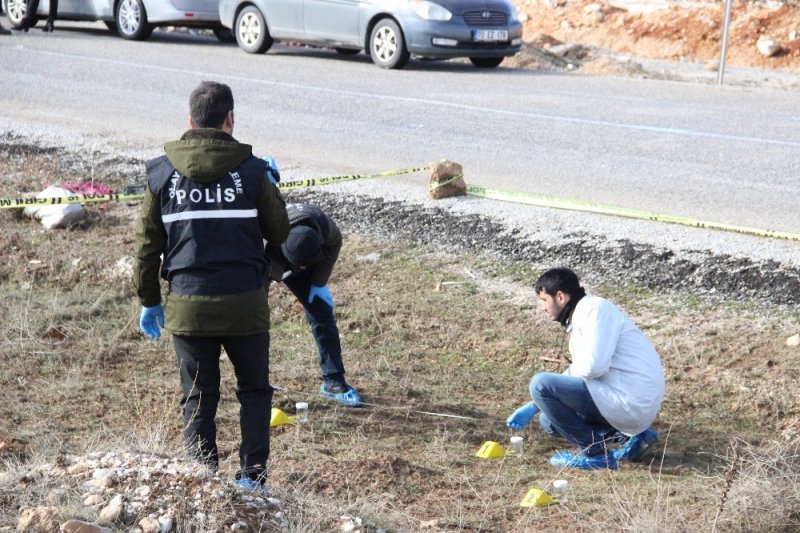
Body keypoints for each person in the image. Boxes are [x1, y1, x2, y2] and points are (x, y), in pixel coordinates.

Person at [133, 81, 289, 493]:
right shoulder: (254, 172)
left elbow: (148, 248)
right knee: (255, 390)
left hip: (188, 309)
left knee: (198, 395)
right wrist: (272, 186)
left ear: (190, 122)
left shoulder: (161, 173)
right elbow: (280, 232)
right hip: (246, 307)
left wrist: (150, 301)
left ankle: (203, 481)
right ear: (230, 120)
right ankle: (252, 478)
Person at [506, 267, 664, 470]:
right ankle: (633, 436)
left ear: (560, 297)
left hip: (629, 399)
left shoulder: (594, 310)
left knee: (540, 384)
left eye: (544, 300)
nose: (543, 308)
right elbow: (585, 370)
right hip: (621, 395)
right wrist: (537, 405)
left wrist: (537, 400)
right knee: (549, 421)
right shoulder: (583, 314)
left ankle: (596, 455)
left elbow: (592, 368)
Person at [264, 202, 361, 407]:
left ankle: (333, 382)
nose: (300, 268)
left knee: (322, 314)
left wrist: (318, 282)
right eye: (298, 265)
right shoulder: (265, 235)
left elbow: (335, 244)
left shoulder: (324, 227)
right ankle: (255, 381)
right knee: (253, 320)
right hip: (271, 258)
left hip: (305, 254)